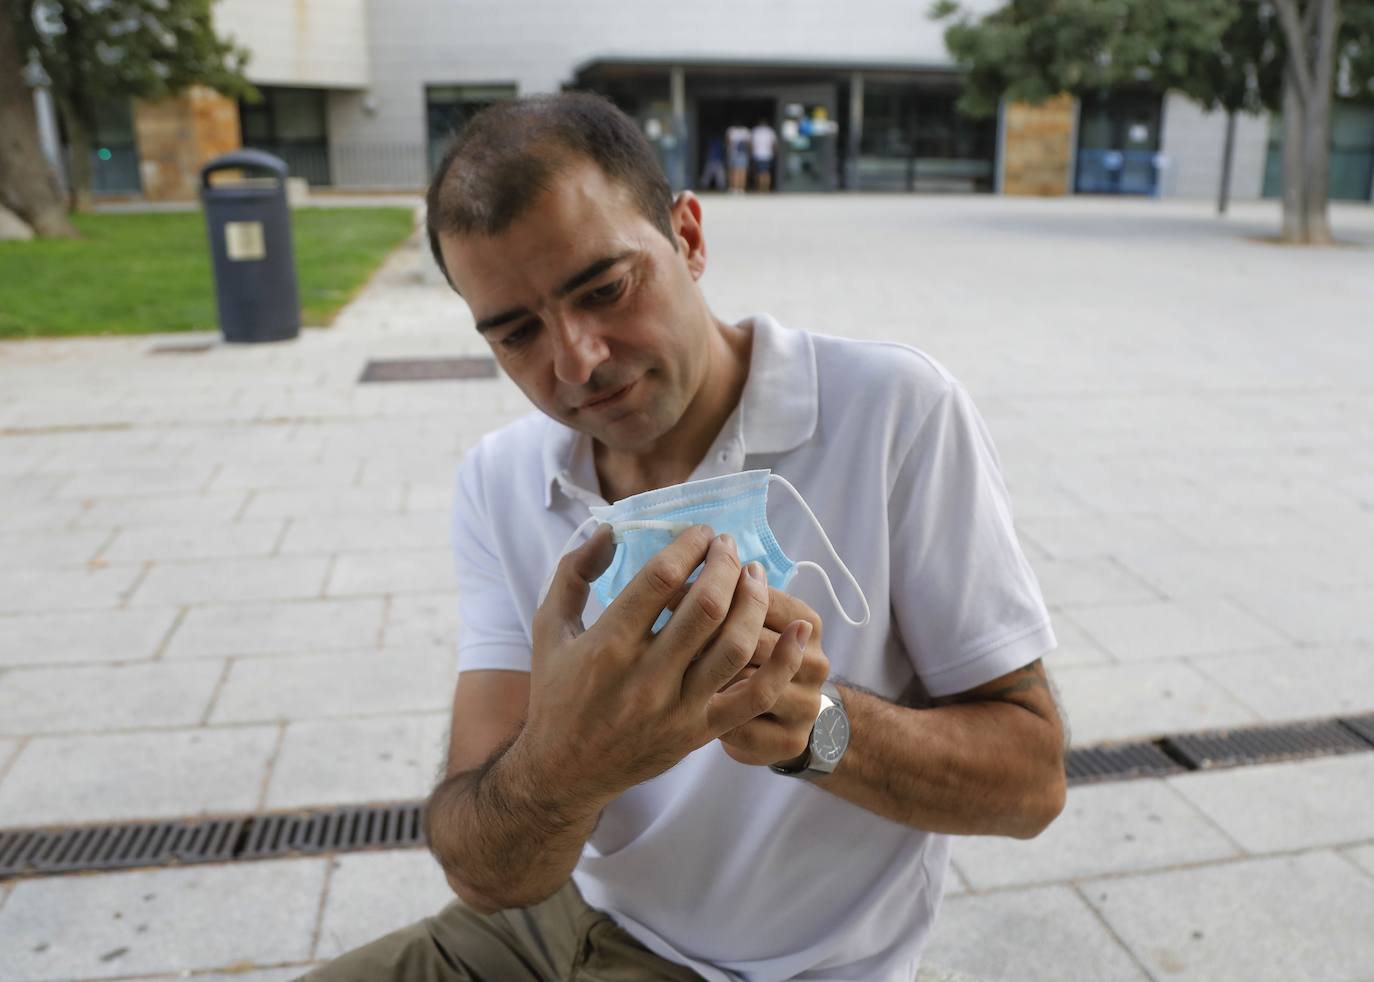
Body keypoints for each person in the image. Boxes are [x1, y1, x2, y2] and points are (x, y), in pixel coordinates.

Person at [307, 92, 1066, 982]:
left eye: (605, 289)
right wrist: (566, 763)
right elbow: (485, 871)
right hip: (547, 922)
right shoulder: (501, 478)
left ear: (690, 239)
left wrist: (813, 728)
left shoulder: (891, 411)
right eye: (516, 333)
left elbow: (1032, 782)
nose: (577, 360)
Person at [751, 118, 777, 193]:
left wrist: (751, 153)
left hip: (758, 154)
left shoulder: (755, 131)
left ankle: (760, 188)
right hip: (767, 155)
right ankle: (765, 189)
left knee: (759, 172)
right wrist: (775, 153)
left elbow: (751, 144)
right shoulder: (770, 131)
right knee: (766, 172)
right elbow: (774, 144)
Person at [725, 122, 751, 193]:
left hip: (738, 153)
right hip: (738, 153)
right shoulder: (744, 131)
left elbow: (728, 141)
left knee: (737, 171)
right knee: (737, 171)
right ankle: (738, 188)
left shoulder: (732, 130)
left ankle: (736, 188)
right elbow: (749, 143)